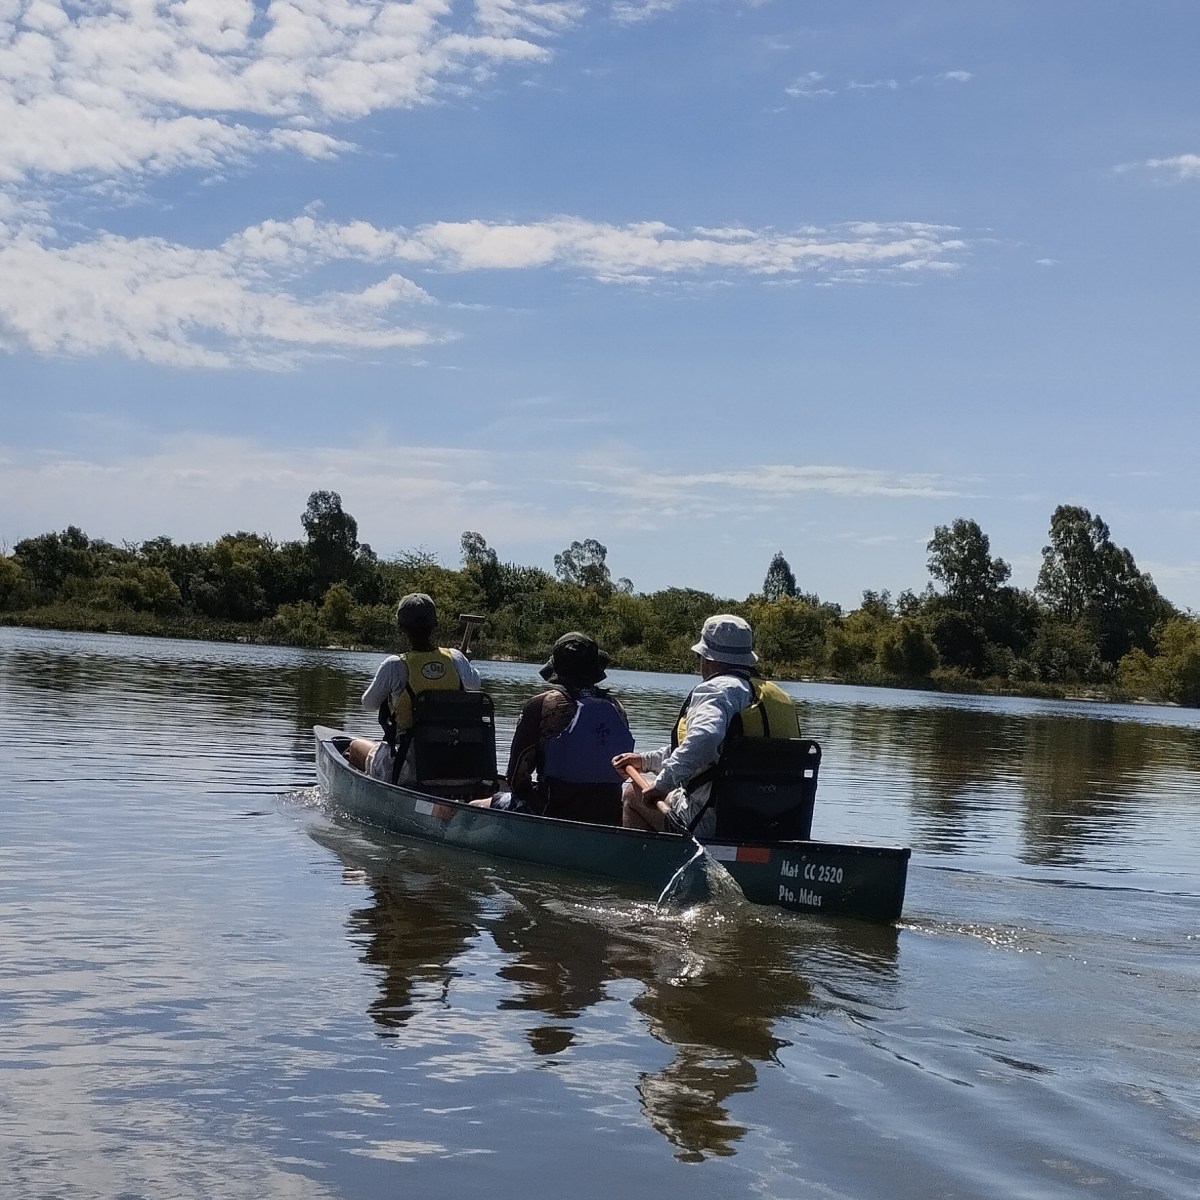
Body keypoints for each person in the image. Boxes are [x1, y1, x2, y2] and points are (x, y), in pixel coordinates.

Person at [613, 613, 797, 838]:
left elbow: (706, 738)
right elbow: (709, 752)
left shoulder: (715, 690)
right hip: (776, 823)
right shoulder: (777, 696)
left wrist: (662, 784)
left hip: (714, 822)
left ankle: (647, 860)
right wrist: (645, 761)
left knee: (633, 793)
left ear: (707, 659)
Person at [476, 632, 633, 824]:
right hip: (608, 813)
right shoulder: (617, 707)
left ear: (557, 667)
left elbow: (516, 778)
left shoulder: (542, 704)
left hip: (552, 810)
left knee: (478, 804)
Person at [346, 593, 482, 783]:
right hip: (457, 763)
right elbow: (475, 683)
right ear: (434, 625)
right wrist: (464, 661)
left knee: (353, 747)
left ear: (401, 627)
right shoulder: (456, 658)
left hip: (409, 767)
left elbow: (368, 704)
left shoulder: (394, 665)